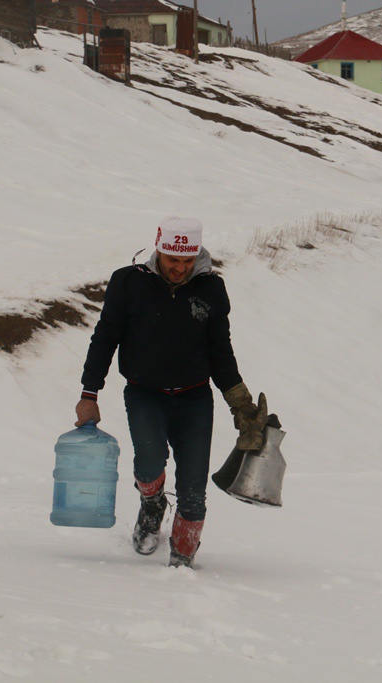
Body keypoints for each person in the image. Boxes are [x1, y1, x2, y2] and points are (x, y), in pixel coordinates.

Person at [75, 217, 266, 569]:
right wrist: (90, 393)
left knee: (194, 489)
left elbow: (220, 351)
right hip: (145, 393)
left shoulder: (210, 288)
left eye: (187, 261)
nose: (179, 268)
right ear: (159, 250)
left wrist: (240, 403)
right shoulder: (128, 282)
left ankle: (182, 558)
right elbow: (105, 338)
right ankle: (152, 504)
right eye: (172, 260)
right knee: (148, 468)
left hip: (194, 398)